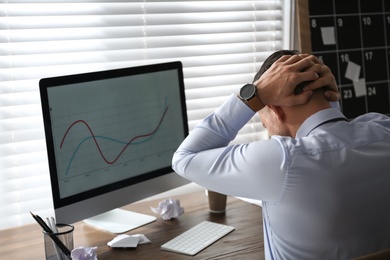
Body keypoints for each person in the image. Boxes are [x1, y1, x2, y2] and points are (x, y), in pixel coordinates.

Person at [172, 50, 390, 259]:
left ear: (275, 109)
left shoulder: (284, 160)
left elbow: (184, 158)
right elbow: (338, 142)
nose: (265, 125)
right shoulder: (383, 127)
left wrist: (253, 94)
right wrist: (330, 104)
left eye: (261, 114)